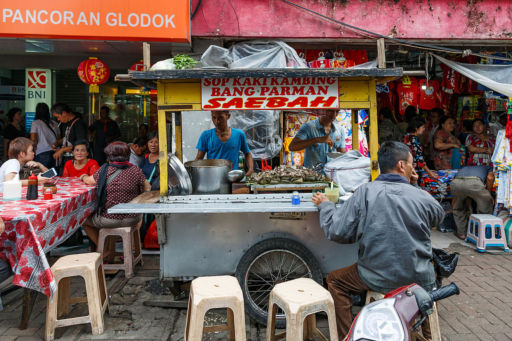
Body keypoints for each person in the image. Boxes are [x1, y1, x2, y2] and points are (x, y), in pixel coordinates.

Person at [312, 141, 444, 340]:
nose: (412, 168)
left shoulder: (365, 192)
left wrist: (326, 206)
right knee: (427, 288)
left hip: (376, 275)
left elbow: (338, 231)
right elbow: (437, 216)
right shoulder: (422, 196)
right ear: (401, 165)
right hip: (419, 278)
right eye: (411, 164)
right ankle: (429, 335)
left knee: (334, 281)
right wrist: (415, 186)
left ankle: (349, 336)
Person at [81, 141, 151, 256]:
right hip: (132, 218)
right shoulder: (136, 170)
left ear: (109, 156)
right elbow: (148, 188)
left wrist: (82, 176)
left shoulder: (104, 170)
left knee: (83, 221)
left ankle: (104, 250)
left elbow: (88, 180)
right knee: (140, 217)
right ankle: (131, 249)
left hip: (109, 219)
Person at [195, 111, 254, 175]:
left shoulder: (239, 134)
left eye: (220, 117)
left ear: (228, 116)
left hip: (232, 177)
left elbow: (247, 154)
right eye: (214, 117)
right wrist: (195, 175)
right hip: (213, 177)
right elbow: (199, 159)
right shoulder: (206, 135)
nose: (217, 121)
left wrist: (250, 170)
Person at [450, 165, 494, 240]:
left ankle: (461, 233)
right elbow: (490, 178)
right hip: (474, 183)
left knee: (458, 208)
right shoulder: (488, 167)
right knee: (485, 209)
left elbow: (454, 179)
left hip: (456, 183)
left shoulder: (464, 167)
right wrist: (489, 193)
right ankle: (483, 235)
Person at [51, 103, 88, 173]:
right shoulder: (66, 123)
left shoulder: (78, 124)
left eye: (58, 117)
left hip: (76, 161)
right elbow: (68, 138)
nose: (58, 119)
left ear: (64, 113)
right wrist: (57, 143)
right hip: (66, 160)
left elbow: (81, 144)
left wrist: (62, 150)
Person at [30, 103, 59, 169]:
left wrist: (33, 152)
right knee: (52, 174)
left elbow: (33, 140)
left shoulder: (35, 123)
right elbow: (59, 139)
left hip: (41, 152)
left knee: (43, 176)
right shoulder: (54, 123)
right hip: (54, 152)